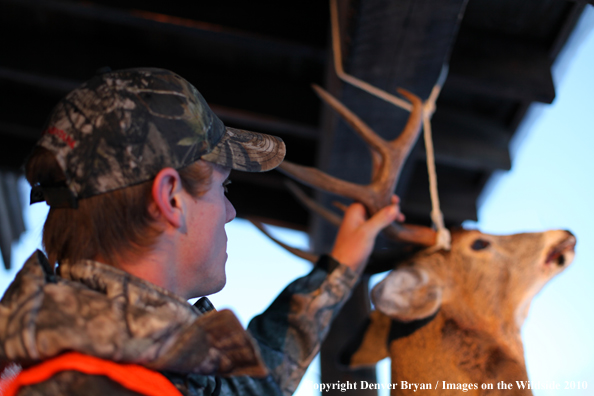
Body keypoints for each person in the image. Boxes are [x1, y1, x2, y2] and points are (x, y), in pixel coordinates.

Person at [0, 68, 403, 396]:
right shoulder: (89, 387)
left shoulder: (145, 357)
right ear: (170, 198)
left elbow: (258, 384)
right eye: (222, 188)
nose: (229, 212)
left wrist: (342, 263)